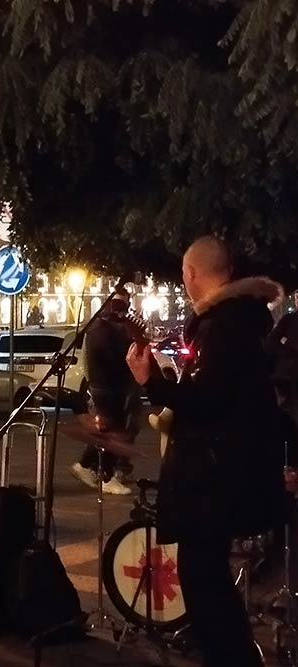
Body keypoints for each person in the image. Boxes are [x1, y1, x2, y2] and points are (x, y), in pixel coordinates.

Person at [125, 235, 282, 667]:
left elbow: (209, 402)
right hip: (223, 478)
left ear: (192, 274)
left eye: (183, 274)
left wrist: (151, 382)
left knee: (205, 587)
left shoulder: (223, 326)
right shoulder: (238, 322)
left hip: (213, 485)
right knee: (207, 585)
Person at [69, 290, 139, 495]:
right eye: (121, 309)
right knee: (112, 431)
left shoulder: (101, 328)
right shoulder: (103, 330)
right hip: (107, 387)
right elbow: (115, 358)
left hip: (105, 386)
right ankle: (105, 475)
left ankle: (85, 466)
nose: (122, 314)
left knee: (107, 430)